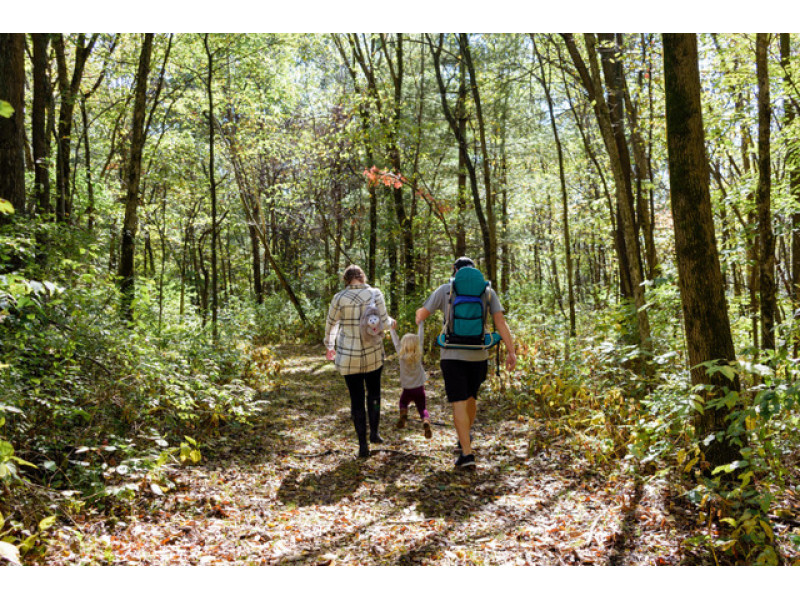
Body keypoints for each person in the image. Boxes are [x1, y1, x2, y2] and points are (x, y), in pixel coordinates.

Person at [416, 257, 516, 468]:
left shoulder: (446, 289)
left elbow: (422, 315)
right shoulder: (487, 291)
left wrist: (419, 317)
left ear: (455, 271)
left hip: (452, 356)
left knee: (458, 402)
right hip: (479, 355)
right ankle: (465, 439)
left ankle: (467, 454)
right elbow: (500, 322)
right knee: (471, 397)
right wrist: (511, 351)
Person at [325, 265, 393, 458]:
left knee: (356, 399)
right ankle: (375, 433)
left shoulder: (339, 298)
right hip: (373, 354)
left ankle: (362, 445)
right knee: (374, 394)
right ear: (362, 277)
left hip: (348, 356)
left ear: (345, 279)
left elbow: (331, 324)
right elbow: (385, 322)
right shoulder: (375, 293)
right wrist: (391, 323)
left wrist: (330, 346)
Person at [389, 321, 432, 439]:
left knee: (403, 403)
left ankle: (403, 413)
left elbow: (395, 342)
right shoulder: (418, 355)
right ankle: (426, 421)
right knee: (422, 408)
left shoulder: (401, 355)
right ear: (416, 345)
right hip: (419, 389)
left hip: (407, 390)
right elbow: (421, 338)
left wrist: (392, 330)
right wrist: (421, 324)